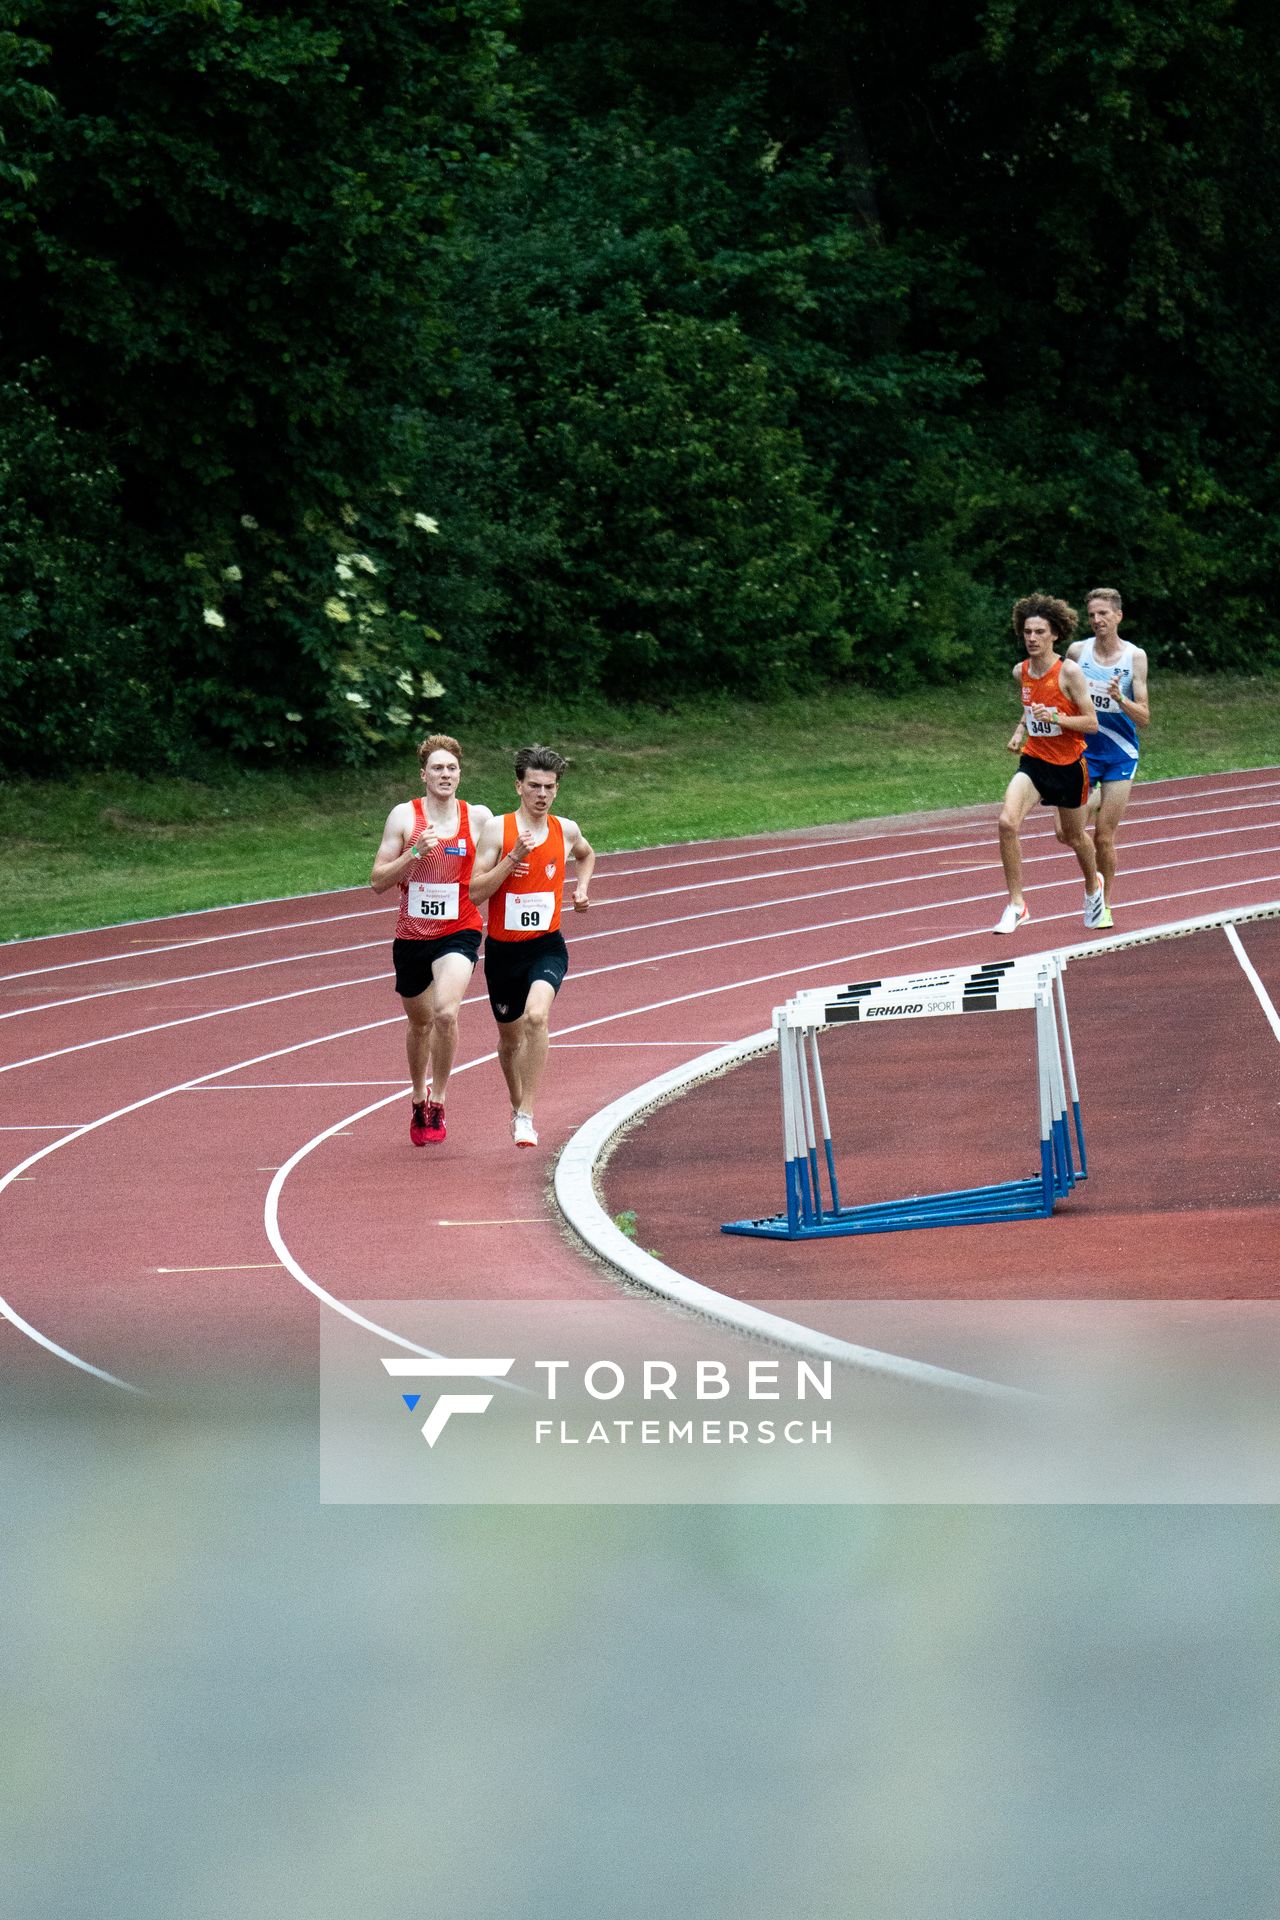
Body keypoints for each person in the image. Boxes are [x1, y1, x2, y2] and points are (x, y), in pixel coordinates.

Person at [469, 745, 595, 1148]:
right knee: (509, 1040)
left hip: (547, 946)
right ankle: (516, 1102)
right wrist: (512, 859)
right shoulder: (498, 830)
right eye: (535, 786)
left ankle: (527, 1115)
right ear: (519, 786)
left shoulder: (566, 828)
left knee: (536, 1019)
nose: (542, 794)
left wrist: (581, 888)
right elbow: (474, 893)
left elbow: (586, 854)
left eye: (550, 787)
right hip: (504, 952)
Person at [370, 735, 493, 1146]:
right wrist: (412, 855)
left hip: (460, 929)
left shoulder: (477, 818)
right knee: (420, 1022)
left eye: (452, 768)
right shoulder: (405, 817)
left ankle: (438, 1099)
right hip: (411, 936)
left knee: (445, 1012)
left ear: (460, 774)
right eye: (437, 768)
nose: (445, 774)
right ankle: (417, 1093)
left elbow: (496, 869)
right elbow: (377, 882)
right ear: (423, 774)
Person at [994, 593, 1103, 936]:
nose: (1032, 638)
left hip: (1069, 765)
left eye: (1040, 632)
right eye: (1027, 631)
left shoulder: (1068, 672)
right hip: (1036, 760)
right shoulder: (1021, 672)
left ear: (1055, 634)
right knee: (1007, 822)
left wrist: (1058, 717)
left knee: (1073, 836)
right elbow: (1030, 709)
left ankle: (1092, 887)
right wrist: (1020, 729)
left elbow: (1091, 723)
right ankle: (1017, 904)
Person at [1064, 586, 1151, 927]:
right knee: (1064, 832)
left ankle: (1102, 903)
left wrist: (1120, 699)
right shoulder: (1076, 652)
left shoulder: (1134, 658)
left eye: (1103, 614)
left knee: (1103, 835)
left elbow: (1144, 717)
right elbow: (1057, 694)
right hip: (1083, 751)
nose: (1097, 620)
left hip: (1120, 753)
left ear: (1119, 616)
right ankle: (1096, 796)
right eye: (1092, 615)